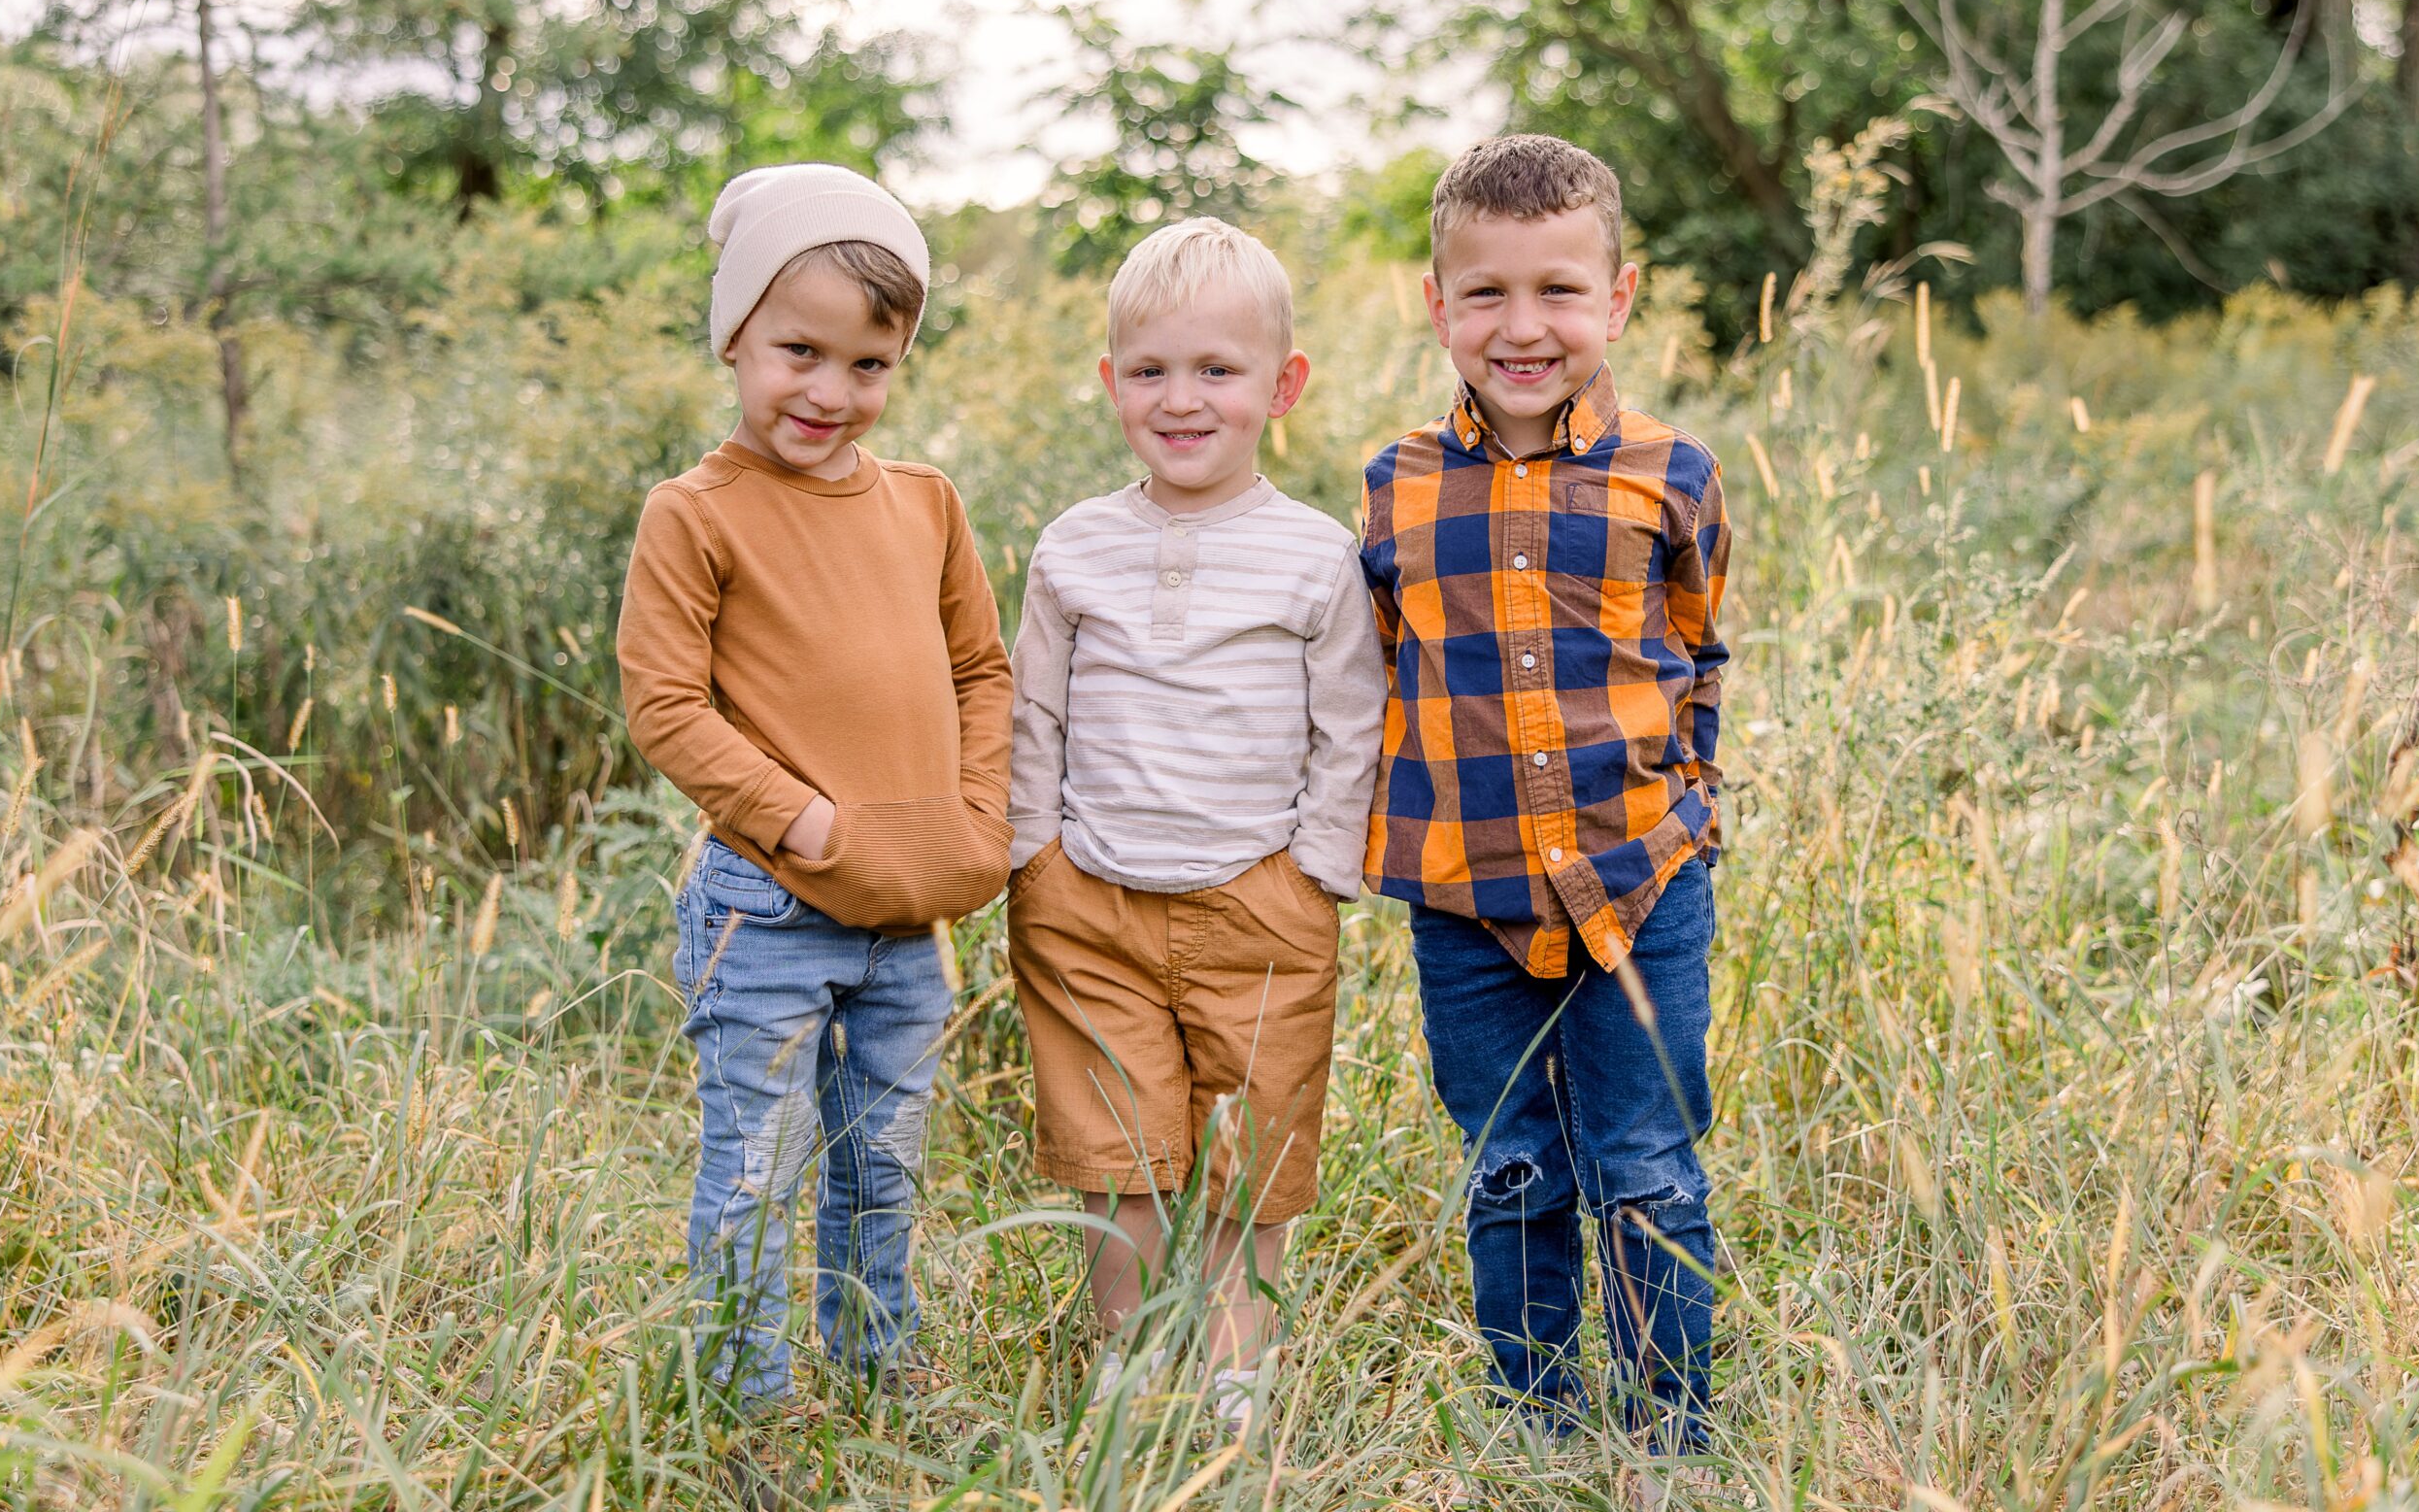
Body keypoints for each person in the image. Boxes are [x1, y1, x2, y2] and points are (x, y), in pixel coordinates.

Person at [617, 163, 1014, 1418]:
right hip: (771, 907)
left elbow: (981, 670)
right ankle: (745, 1399)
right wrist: (804, 820)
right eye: (799, 351)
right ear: (735, 334)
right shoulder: (697, 515)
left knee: (881, 1161)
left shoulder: (925, 506)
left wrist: (981, 817)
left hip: (909, 915)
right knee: (757, 1167)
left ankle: (878, 1366)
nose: (830, 393)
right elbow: (667, 706)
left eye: (869, 366)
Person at [1359, 135, 1730, 1455]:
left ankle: (1671, 1436)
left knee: (1646, 1167)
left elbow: (1697, 652)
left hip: (1644, 881)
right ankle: (1538, 1429)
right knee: (1511, 1168)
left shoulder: (1672, 474)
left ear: (1619, 298)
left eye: (1560, 291)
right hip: (1465, 899)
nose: (1524, 328)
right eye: (1488, 294)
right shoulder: (1395, 487)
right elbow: (1386, 669)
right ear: (1439, 303)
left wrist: (1694, 804)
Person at [1005, 217, 1384, 1442]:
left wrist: (1314, 875)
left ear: (1282, 387)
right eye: (1151, 371)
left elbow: (1351, 725)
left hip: (1256, 901)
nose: (1183, 401)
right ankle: (1128, 1355)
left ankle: (1234, 1367)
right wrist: (1032, 856)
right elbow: (1032, 711)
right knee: (1116, 1153)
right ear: (1110, 380)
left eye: (1217, 372)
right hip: (1090, 904)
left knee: (1252, 1152)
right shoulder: (1075, 547)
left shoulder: (1316, 557)